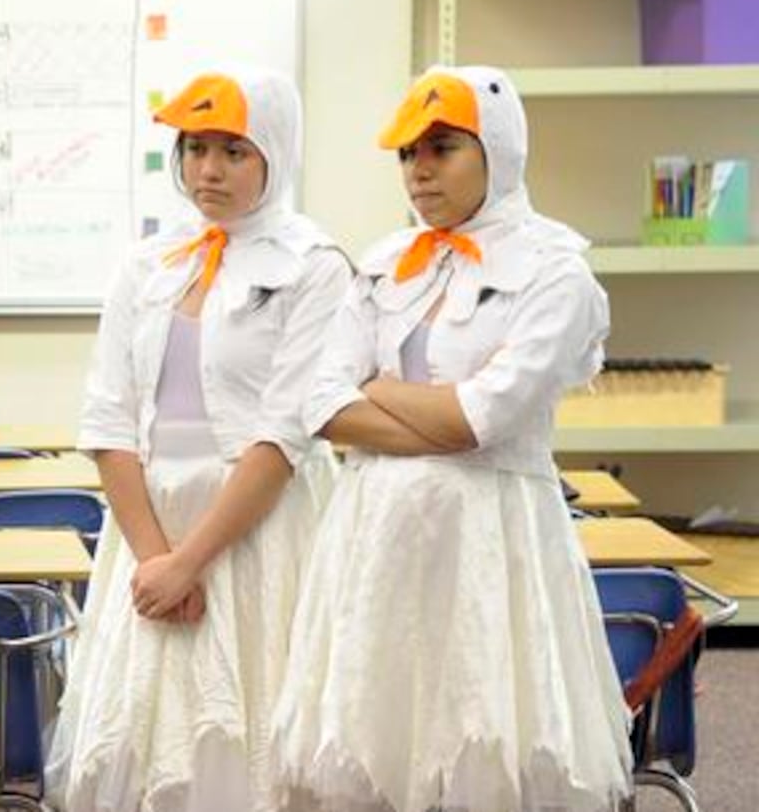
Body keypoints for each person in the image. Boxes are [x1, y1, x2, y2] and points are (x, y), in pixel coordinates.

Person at [271, 65, 632, 812]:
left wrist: (376, 389)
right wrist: (434, 415)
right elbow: (320, 405)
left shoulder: (555, 270)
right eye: (407, 154)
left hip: (491, 544)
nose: (419, 170)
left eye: (441, 147)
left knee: (485, 740)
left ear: (497, 149)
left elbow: (485, 419)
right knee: (371, 744)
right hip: (374, 539)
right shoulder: (382, 264)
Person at [48, 67, 350, 812]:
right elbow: (108, 418)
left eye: (234, 151)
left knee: (256, 731)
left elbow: (284, 436)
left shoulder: (315, 266)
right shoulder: (148, 261)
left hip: (261, 531)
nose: (208, 169)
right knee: (145, 738)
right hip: (151, 529)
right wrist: (158, 560)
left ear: (275, 152)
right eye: (195, 148)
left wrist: (193, 561)